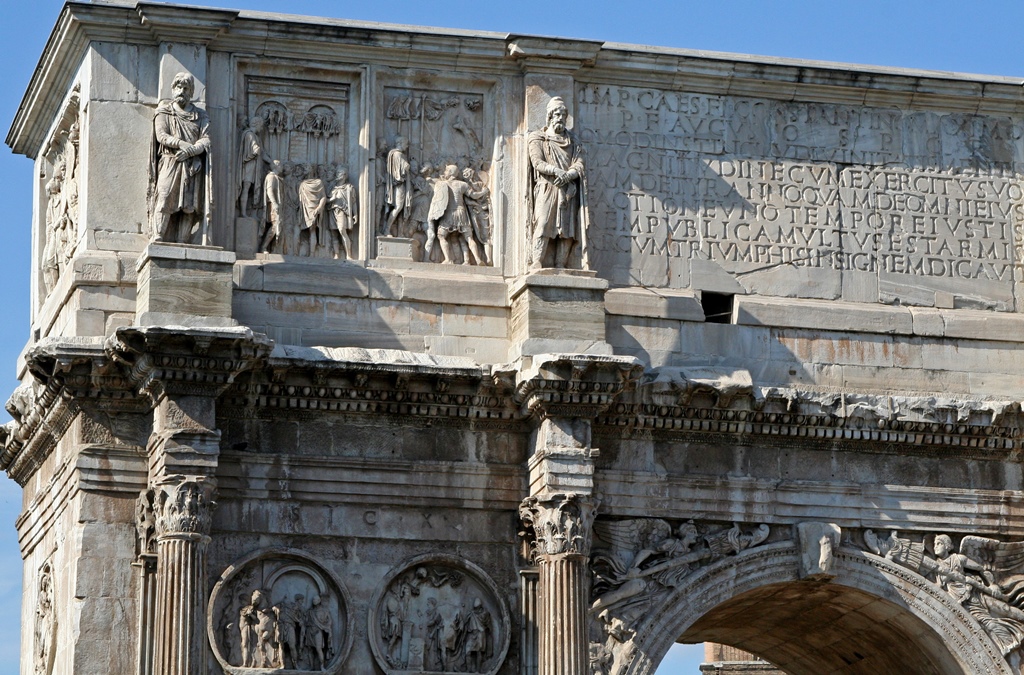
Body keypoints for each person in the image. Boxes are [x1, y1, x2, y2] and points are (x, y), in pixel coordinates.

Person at [527, 96, 588, 270]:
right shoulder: (538, 138)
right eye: (557, 114)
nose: (560, 118)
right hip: (547, 187)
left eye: (563, 115)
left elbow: (579, 162)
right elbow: (537, 162)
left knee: (567, 229)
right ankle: (537, 260)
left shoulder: (573, 140)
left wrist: (569, 175)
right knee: (543, 222)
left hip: (568, 188)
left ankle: (561, 263)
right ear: (549, 116)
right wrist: (556, 171)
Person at [149, 72, 211, 244]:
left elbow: (206, 138)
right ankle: (159, 235)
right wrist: (182, 144)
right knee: (164, 195)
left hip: (192, 164)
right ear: (173, 89)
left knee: (189, 206)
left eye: (186, 88)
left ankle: (183, 241)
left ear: (191, 92)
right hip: (170, 160)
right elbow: (161, 135)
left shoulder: (200, 116)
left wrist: (191, 152)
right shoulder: (164, 112)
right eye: (178, 87)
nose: (181, 91)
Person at [428, 164, 489, 265]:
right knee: (469, 238)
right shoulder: (462, 184)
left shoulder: (443, 184)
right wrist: (483, 192)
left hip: (449, 213)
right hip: (461, 213)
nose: (444, 173)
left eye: (446, 171)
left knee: (441, 235)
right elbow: (474, 195)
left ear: (451, 172)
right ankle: (478, 259)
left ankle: (448, 259)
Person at [237, 115, 268, 218]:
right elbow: (255, 148)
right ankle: (243, 212)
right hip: (248, 165)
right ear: (257, 124)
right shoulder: (249, 134)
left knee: (248, 188)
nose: (262, 128)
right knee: (246, 187)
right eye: (261, 126)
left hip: (252, 164)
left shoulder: (254, 136)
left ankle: (245, 210)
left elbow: (262, 152)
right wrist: (256, 149)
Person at [383, 136, 411, 236]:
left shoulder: (395, 154)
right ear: (401, 143)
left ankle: (400, 233)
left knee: (401, 208)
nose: (407, 146)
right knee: (398, 207)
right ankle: (387, 229)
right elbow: (401, 172)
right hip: (398, 184)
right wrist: (407, 166)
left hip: (400, 184)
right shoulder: (398, 155)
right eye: (406, 143)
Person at [328, 168, 357, 259]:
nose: (337, 174)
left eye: (339, 173)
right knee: (334, 233)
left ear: (344, 175)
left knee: (342, 230)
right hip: (332, 210)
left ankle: (348, 254)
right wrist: (331, 199)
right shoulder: (332, 187)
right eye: (337, 173)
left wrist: (355, 214)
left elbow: (353, 202)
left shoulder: (349, 188)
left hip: (343, 211)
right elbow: (326, 200)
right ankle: (336, 254)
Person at [260, 160, 285, 253]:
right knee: (275, 226)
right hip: (273, 205)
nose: (282, 167)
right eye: (281, 165)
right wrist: (275, 204)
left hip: (277, 205)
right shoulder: (271, 177)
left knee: (277, 226)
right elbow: (269, 191)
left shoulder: (277, 177)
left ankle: (273, 248)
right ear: (276, 166)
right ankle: (264, 247)